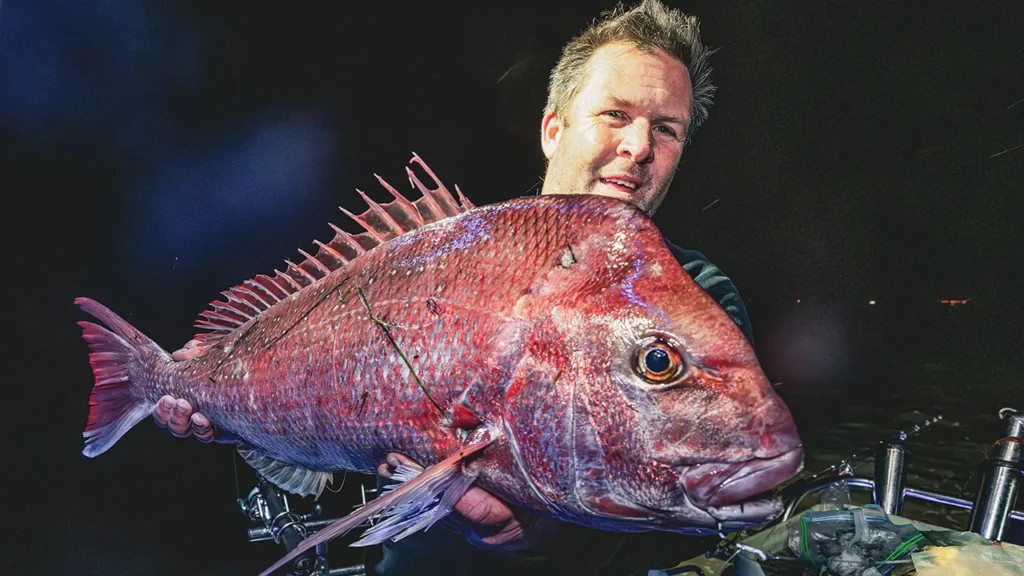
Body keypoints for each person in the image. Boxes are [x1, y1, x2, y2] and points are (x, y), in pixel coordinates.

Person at [154, 1, 753, 573]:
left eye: (667, 129)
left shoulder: (691, 297)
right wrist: (227, 402)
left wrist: (540, 537)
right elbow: (329, 422)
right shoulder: (448, 256)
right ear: (552, 128)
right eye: (615, 114)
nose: (639, 147)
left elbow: (702, 490)